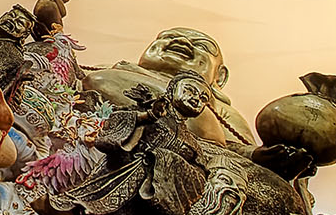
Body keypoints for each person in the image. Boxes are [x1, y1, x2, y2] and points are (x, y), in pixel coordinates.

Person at [82, 26, 255, 146]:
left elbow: (239, 149)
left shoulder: (222, 110)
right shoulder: (108, 70)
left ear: (220, 76)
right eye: (167, 37)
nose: (182, 41)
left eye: (201, 46)